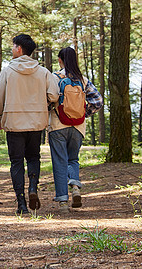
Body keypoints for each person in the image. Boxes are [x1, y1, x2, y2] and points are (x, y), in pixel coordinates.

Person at [0, 34, 59, 214]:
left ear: (19, 48)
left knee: (16, 162)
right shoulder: (43, 72)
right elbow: (54, 95)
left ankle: (21, 202)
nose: (12, 49)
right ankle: (33, 189)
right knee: (33, 157)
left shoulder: (7, 71)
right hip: (36, 122)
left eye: (13, 46)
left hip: (14, 122)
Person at [48, 46, 103, 211]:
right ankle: (75, 186)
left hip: (58, 126)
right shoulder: (83, 80)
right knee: (73, 159)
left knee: (60, 162)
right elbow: (98, 101)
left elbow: (48, 100)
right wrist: (83, 114)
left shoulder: (54, 77)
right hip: (78, 127)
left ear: (60, 60)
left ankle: (63, 201)